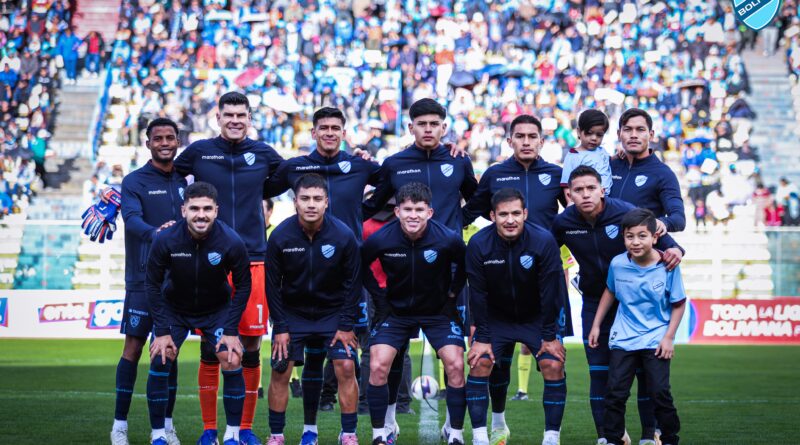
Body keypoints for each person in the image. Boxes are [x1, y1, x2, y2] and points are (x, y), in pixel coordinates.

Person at [174, 91, 284, 445]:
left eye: (241, 115)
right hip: (209, 261)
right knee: (211, 347)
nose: (235, 120)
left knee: (250, 346)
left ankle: (244, 430)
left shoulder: (264, 154)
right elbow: (166, 176)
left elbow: (293, 175)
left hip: (254, 260)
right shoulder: (199, 152)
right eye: (229, 115)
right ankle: (209, 430)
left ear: (249, 118)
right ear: (218, 118)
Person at [551, 166, 684, 445]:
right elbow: (546, 251)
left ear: (602, 190)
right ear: (569, 194)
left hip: (631, 305)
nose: (585, 194)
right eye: (578, 190)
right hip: (594, 302)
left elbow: (662, 240)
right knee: (599, 373)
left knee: (646, 374)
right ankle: (607, 437)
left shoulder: (624, 212)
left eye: (591, 188)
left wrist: (675, 249)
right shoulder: (563, 223)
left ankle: (649, 436)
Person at [461, 113, 569, 444]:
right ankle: (494, 426)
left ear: (542, 141)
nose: (526, 141)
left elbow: (577, 212)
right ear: (509, 141)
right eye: (519, 136)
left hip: (542, 282)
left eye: (532, 136)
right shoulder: (495, 174)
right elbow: (468, 212)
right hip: (499, 286)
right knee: (492, 363)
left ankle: (551, 438)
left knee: (553, 362)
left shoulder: (557, 175)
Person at [145, 181, 251, 445]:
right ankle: (158, 435)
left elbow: (243, 285)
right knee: (161, 357)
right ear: (184, 210)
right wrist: (161, 331)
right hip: (175, 309)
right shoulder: (165, 239)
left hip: (216, 310)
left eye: (207, 209)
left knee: (231, 357)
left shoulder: (231, 241)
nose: (200, 215)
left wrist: (230, 330)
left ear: (216, 211)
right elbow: (152, 284)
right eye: (194, 208)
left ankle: (232, 435)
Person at [362, 182, 468, 445]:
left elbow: (466, 266)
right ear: (397, 211)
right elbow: (359, 266)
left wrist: (452, 296)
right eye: (407, 209)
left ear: (429, 212)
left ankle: (454, 431)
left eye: (419, 209)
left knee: (456, 364)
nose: (413, 215)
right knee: (378, 364)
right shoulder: (381, 239)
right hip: (396, 312)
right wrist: (380, 299)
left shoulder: (448, 238)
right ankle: (383, 430)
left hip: (437, 312)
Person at [265, 173, 362, 445]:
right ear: (295, 202)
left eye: (317, 199)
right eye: (305, 198)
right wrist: (280, 326)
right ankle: (277, 435)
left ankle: (349, 433)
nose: (311, 204)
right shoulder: (280, 236)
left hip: (333, 313)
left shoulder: (343, 235)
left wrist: (346, 324)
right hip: (293, 314)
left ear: (326, 202)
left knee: (345, 366)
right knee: (281, 368)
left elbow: (353, 283)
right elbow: (272, 285)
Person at [111, 118, 186, 445]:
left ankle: (167, 426)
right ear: (148, 144)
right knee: (133, 347)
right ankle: (119, 426)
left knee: (170, 351)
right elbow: (131, 220)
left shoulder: (186, 179)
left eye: (170, 137)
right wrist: (157, 234)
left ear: (178, 141)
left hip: (179, 279)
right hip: (143, 279)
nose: (165, 143)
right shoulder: (134, 181)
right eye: (159, 138)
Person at [588, 208, 686, 445]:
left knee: (659, 392)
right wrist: (596, 325)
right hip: (624, 337)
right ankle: (613, 439)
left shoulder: (668, 266)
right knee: (615, 393)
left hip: (656, 339)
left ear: (655, 237)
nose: (635, 242)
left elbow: (679, 304)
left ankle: (669, 438)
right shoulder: (618, 263)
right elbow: (610, 291)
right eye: (629, 236)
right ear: (623, 238)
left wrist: (669, 337)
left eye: (642, 236)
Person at [610, 108, 686, 235]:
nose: (633, 135)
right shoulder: (608, 166)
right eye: (627, 129)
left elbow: (678, 219)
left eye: (640, 129)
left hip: (640, 247)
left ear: (651, 135)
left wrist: (661, 223)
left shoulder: (663, 174)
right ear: (619, 134)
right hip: (604, 246)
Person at [561, 109, 612, 200]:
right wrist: (570, 203)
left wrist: (620, 153)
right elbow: (566, 185)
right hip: (587, 200)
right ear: (578, 132)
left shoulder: (602, 151)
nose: (594, 138)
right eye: (589, 133)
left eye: (599, 135)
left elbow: (609, 161)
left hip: (606, 200)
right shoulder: (573, 155)